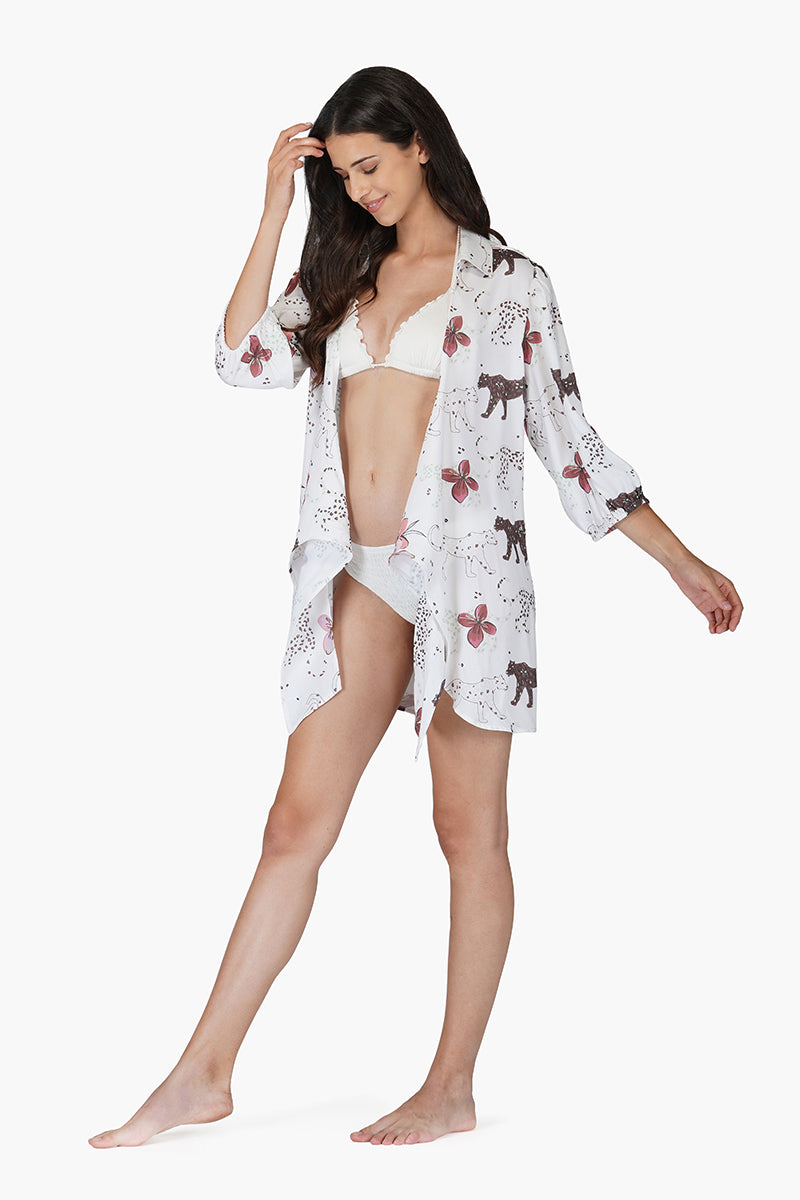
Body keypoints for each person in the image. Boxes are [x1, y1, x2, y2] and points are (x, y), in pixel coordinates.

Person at [88, 66, 743, 1151]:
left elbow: (568, 439)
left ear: (420, 144)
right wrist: (274, 208)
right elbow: (239, 358)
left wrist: (679, 561)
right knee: (293, 825)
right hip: (356, 573)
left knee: (466, 830)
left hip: (467, 583)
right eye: (344, 176)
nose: (361, 190)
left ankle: (449, 1086)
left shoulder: (509, 285)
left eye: (371, 166)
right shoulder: (342, 275)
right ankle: (201, 1074)